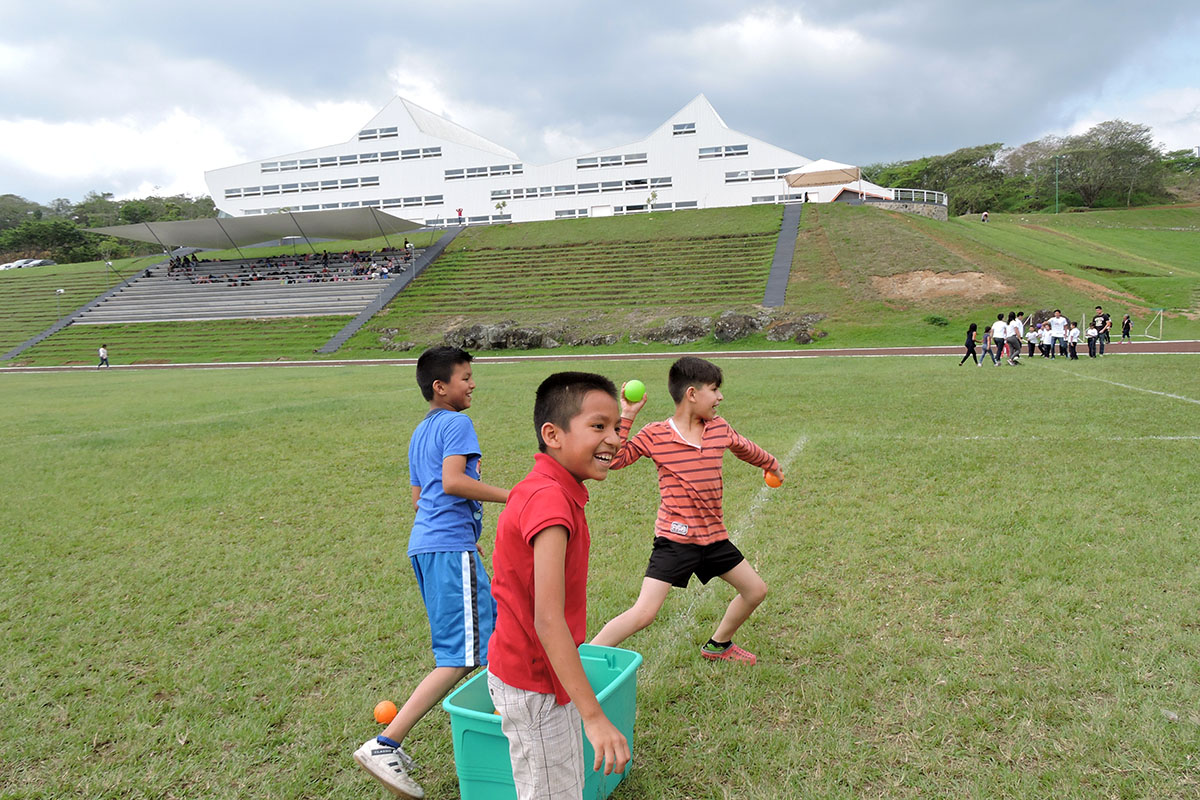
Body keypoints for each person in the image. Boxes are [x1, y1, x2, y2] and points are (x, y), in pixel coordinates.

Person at [354, 346, 510, 799]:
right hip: (446, 548)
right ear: (441, 387)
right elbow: (454, 482)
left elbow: (420, 497)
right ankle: (386, 744)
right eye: (465, 377)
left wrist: (466, 529)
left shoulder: (421, 432)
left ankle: (508, 721)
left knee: (493, 635)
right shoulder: (457, 423)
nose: (472, 384)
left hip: (429, 545)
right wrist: (513, 496)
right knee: (461, 655)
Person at [486, 372, 630, 800]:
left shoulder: (551, 489)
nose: (615, 440)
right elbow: (547, 620)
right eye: (599, 427)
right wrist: (595, 716)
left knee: (559, 783)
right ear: (553, 434)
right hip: (534, 683)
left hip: (545, 676)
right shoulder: (549, 501)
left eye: (617, 428)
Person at [591, 356, 782, 664]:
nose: (720, 397)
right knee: (643, 614)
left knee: (755, 591)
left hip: (714, 539)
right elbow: (615, 459)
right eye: (714, 389)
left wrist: (770, 463)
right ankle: (587, 657)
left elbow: (744, 447)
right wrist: (626, 414)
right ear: (692, 394)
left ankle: (719, 645)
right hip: (675, 541)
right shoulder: (655, 434)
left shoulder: (718, 428)